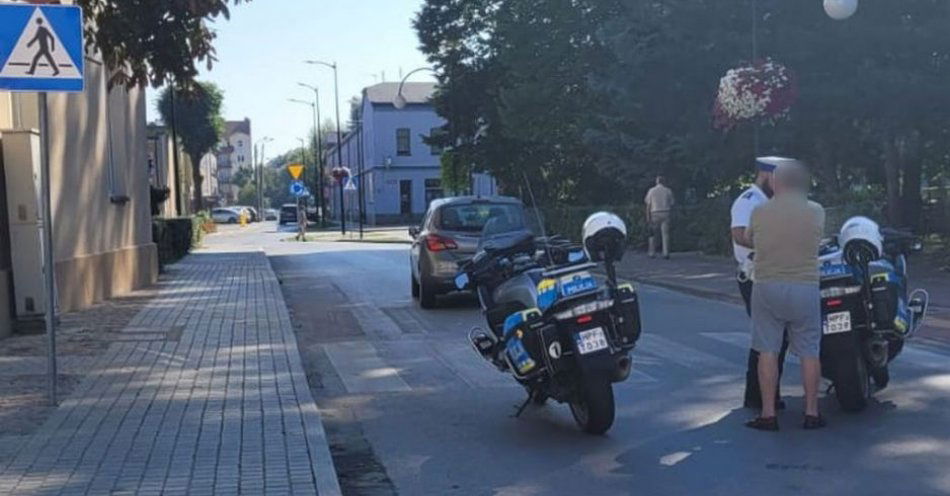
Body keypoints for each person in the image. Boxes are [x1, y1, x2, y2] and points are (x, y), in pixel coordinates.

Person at [743, 162, 826, 431]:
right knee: (810, 350)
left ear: (776, 183)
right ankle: (812, 412)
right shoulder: (816, 211)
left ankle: (768, 414)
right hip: (805, 285)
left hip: (767, 285)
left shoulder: (759, 211)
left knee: (767, 349)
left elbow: (748, 238)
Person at [731, 157, 790, 410]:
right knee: (768, 337)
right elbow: (739, 235)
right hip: (755, 276)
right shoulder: (748, 201)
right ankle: (757, 396)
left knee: (778, 337)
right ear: (765, 175)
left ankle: (767, 393)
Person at [644, 175, 674, 259]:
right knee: (665, 234)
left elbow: (648, 205)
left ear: (656, 182)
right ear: (664, 182)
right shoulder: (668, 190)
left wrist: (647, 216)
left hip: (654, 213)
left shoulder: (651, 191)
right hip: (665, 212)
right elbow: (671, 203)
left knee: (652, 234)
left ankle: (652, 252)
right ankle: (666, 253)